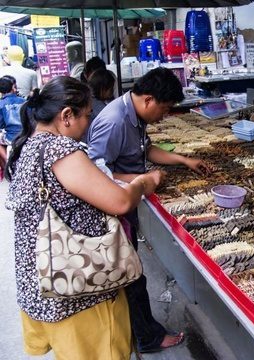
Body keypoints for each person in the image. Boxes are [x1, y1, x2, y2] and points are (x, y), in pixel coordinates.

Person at [5, 76, 163, 359]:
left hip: (45, 280)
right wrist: (143, 182)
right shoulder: (59, 149)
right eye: (87, 115)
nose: (89, 123)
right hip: (78, 287)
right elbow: (121, 201)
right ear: (67, 116)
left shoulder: (26, 146)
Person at [88, 67, 211, 353]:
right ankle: (147, 338)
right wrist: (144, 181)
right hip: (114, 210)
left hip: (126, 202)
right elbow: (95, 173)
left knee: (132, 271)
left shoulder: (134, 115)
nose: (164, 116)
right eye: (165, 109)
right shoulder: (115, 121)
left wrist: (183, 160)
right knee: (131, 274)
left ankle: (141, 333)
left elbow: (146, 150)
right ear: (148, 100)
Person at [0, 76, 25, 180]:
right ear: (13, 88)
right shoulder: (24, 101)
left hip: (10, 138)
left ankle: (6, 161)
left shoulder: (1, 104)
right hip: (26, 135)